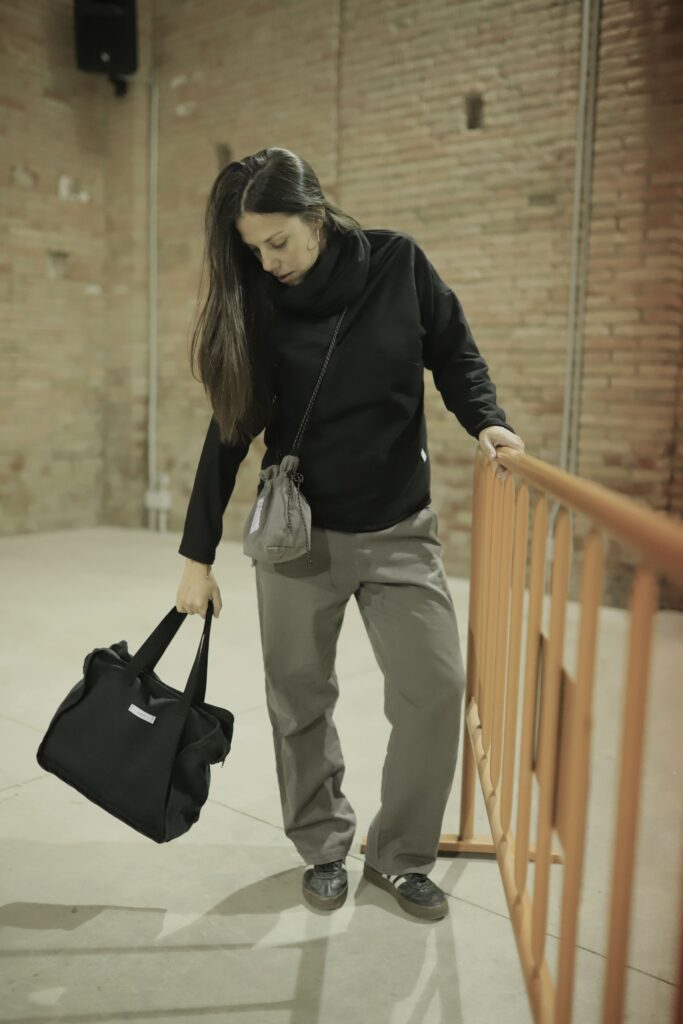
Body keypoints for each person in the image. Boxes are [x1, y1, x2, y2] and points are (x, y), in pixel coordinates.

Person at [175, 147, 525, 922]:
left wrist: (488, 422)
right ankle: (323, 844)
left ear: (316, 214)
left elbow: (453, 353)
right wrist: (196, 558)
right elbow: (229, 432)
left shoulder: (397, 265)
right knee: (298, 700)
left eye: (278, 242)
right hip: (297, 539)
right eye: (252, 250)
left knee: (435, 691)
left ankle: (400, 855)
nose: (268, 262)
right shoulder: (260, 304)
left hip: (400, 528)